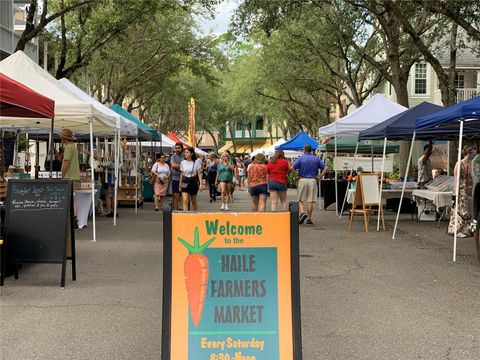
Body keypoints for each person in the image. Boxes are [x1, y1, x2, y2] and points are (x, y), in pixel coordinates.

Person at [292, 144, 328, 225]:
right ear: (311, 150)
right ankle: (309, 218)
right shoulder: (316, 159)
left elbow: (292, 168)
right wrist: (320, 176)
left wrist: (296, 176)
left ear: (304, 150)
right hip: (313, 180)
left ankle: (302, 213)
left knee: (300, 199)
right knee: (310, 200)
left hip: (302, 179)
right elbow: (326, 167)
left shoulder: (300, 158)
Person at [448, 146, 477, 238]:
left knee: (465, 210)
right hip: (460, 190)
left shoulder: (470, 164)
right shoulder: (459, 164)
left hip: (467, 190)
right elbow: (457, 179)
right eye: (472, 154)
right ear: (468, 154)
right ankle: (457, 229)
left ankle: (465, 229)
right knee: (460, 210)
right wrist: (456, 193)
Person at [179, 147, 203, 211]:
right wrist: (180, 184)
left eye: (187, 152)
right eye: (185, 152)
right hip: (184, 180)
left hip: (193, 180)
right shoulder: (183, 162)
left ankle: (195, 213)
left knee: (193, 200)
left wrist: (201, 184)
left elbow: (199, 174)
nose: (185, 154)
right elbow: (181, 174)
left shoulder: (196, 162)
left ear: (191, 153)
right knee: (185, 199)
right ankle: (185, 215)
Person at [170, 142, 184, 210]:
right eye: (176, 148)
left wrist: (177, 166)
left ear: (182, 148)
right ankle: (175, 210)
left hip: (184, 178)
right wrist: (182, 166)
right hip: (175, 178)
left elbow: (185, 166)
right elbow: (173, 165)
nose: (177, 149)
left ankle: (182, 208)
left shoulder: (185, 156)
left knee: (183, 195)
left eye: (179, 148)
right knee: (175, 195)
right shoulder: (173, 157)